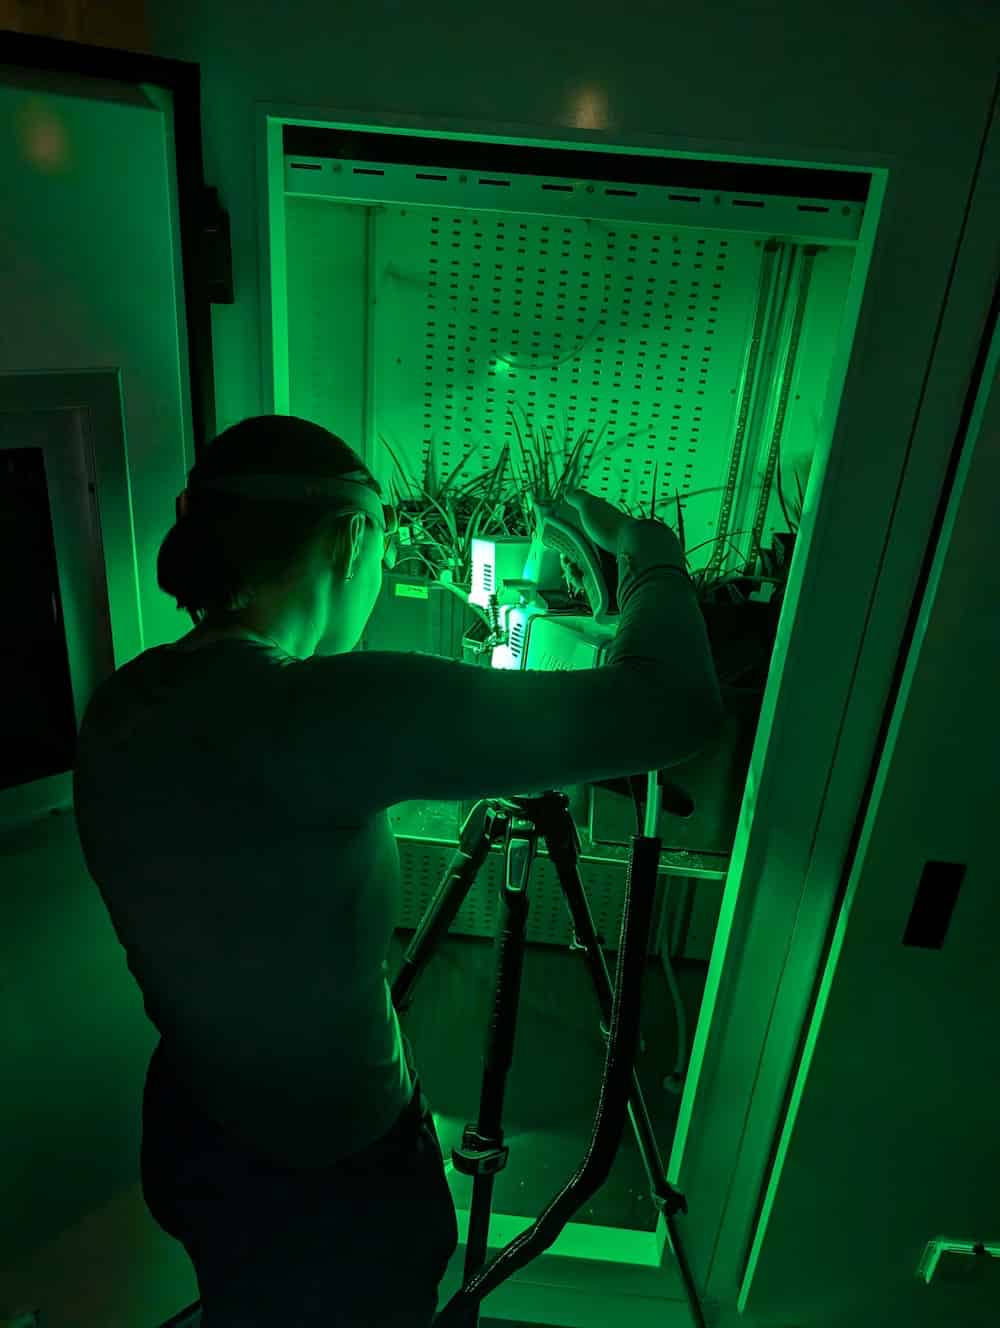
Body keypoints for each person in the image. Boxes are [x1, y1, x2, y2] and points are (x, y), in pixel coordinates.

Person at [72, 414, 724, 1326]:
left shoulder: (125, 698)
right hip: (329, 1179)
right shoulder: (317, 711)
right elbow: (673, 710)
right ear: (353, 539)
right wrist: (651, 557)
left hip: (195, 1127)